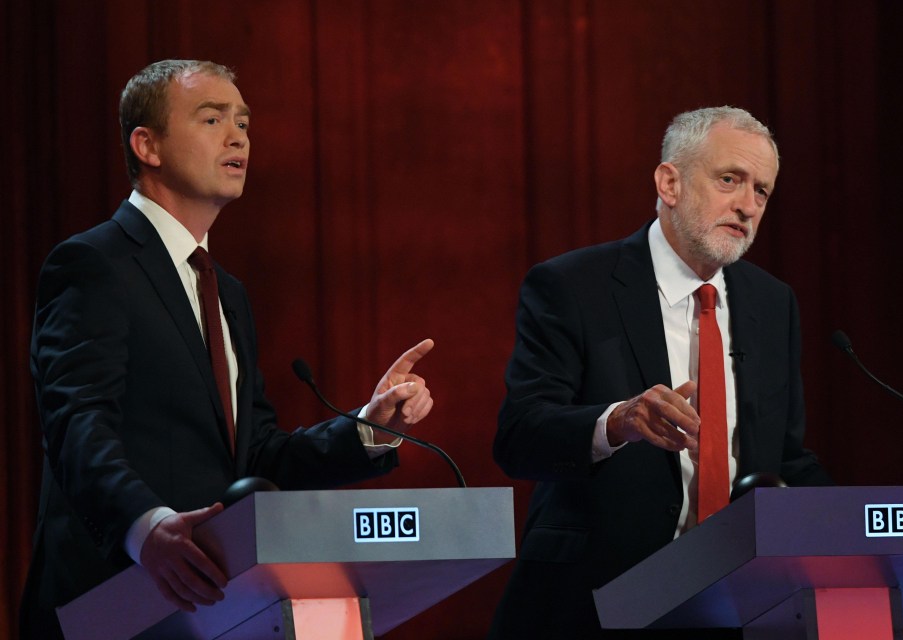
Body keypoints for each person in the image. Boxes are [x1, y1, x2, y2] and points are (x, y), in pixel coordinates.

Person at [20, 59, 435, 640]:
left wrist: (367, 428)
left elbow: (255, 458)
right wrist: (148, 527)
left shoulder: (226, 291)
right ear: (148, 145)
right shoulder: (94, 264)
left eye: (243, 122)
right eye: (212, 119)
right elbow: (77, 426)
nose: (238, 135)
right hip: (115, 596)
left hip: (218, 604)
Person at [489, 106, 832, 638]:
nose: (747, 206)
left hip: (738, 603)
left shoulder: (772, 302)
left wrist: (858, 531)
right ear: (669, 183)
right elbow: (519, 436)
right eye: (729, 180)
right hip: (596, 601)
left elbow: (784, 458)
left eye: (761, 191)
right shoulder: (574, 286)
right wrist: (617, 422)